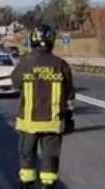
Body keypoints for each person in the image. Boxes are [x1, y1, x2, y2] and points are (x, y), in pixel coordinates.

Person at [12, 24, 76, 189]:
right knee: (50, 159)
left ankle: (27, 185)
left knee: (27, 158)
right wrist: (69, 117)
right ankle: (47, 186)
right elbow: (69, 94)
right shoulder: (61, 64)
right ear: (52, 41)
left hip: (28, 122)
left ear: (32, 40)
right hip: (53, 123)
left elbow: (15, 83)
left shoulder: (25, 63)